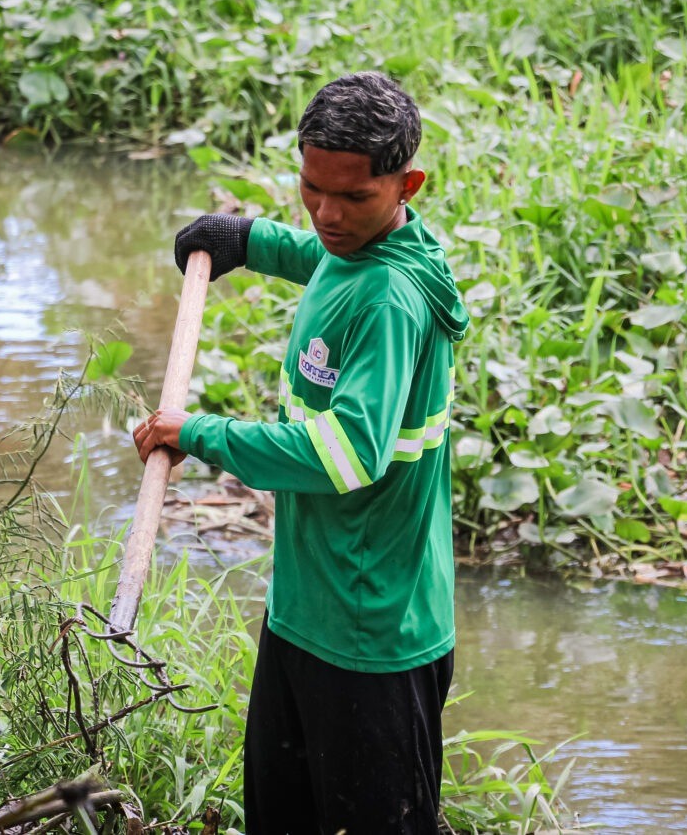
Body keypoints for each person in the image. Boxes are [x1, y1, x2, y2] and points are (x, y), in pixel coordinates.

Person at [132, 71, 468, 834]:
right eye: (312, 190)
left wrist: (201, 433)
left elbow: (346, 455)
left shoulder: (391, 302)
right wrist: (248, 240)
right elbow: (328, 257)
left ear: (407, 183)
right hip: (306, 613)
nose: (327, 214)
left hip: (368, 635)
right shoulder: (357, 252)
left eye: (352, 198)